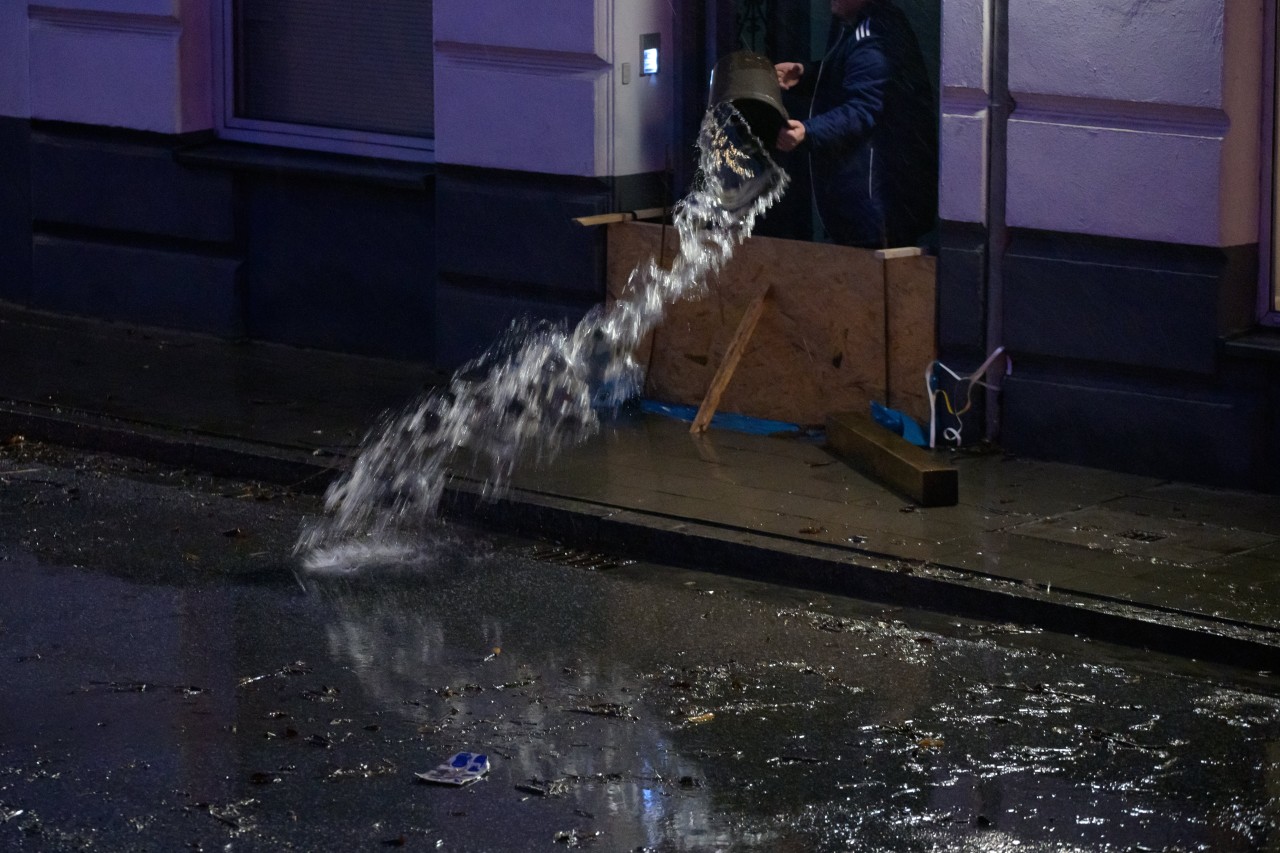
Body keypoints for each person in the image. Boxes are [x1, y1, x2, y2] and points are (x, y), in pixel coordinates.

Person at [774, 0, 937, 249]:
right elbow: (856, 75)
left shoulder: (874, 33)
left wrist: (808, 131)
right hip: (868, 205)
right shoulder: (856, 23)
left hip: (875, 208)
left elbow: (863, 109)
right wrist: (806, 75)